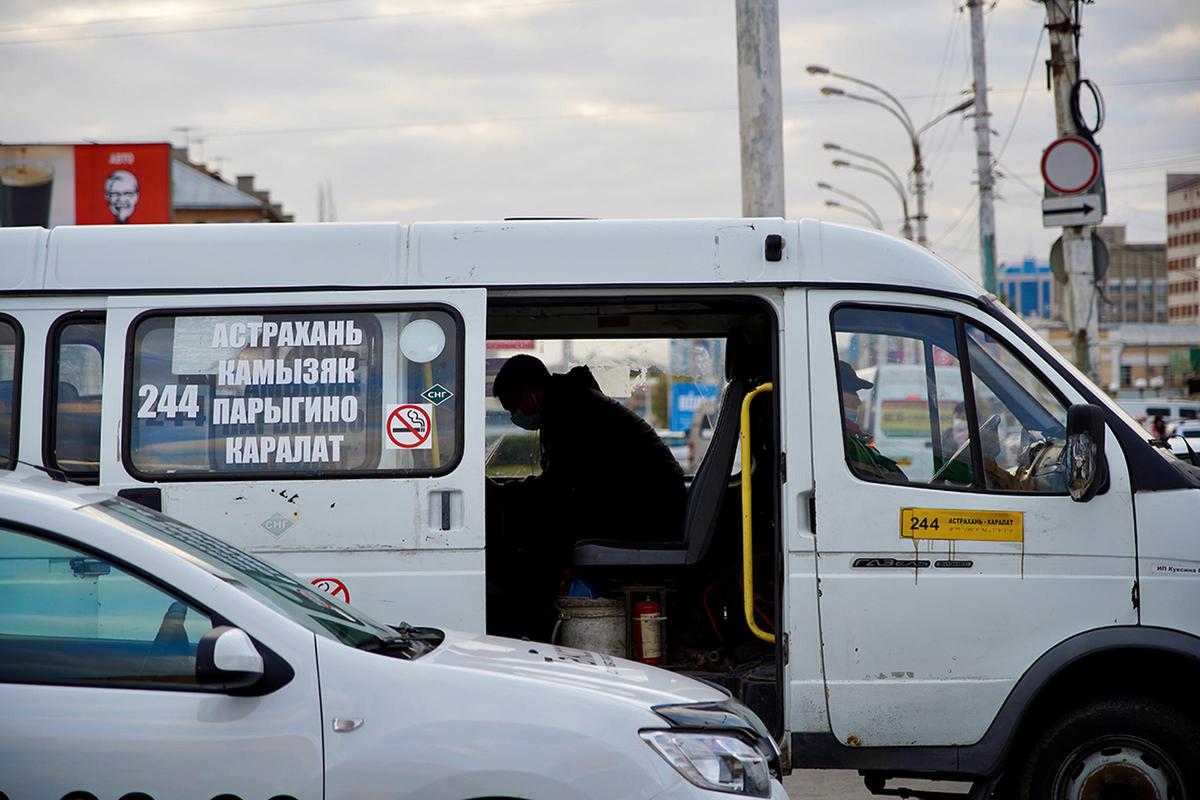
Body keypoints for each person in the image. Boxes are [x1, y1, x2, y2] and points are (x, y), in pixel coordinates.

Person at [487, 354, 686, 637]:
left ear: (532, 394)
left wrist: (502, 494)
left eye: (513, 408)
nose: (514, 418)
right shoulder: (572, 403)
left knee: (536, 542)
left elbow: (556, 488)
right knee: (538, 527)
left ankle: (531, 625)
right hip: (641, 504)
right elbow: (563, 484)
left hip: (648, 514)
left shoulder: (572, 413)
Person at [838, 360, 906, 482]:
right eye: (853, 392)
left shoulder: (852, 438)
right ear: (835, 394)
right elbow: (879, 479)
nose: (858, 401)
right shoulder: (843, 442)